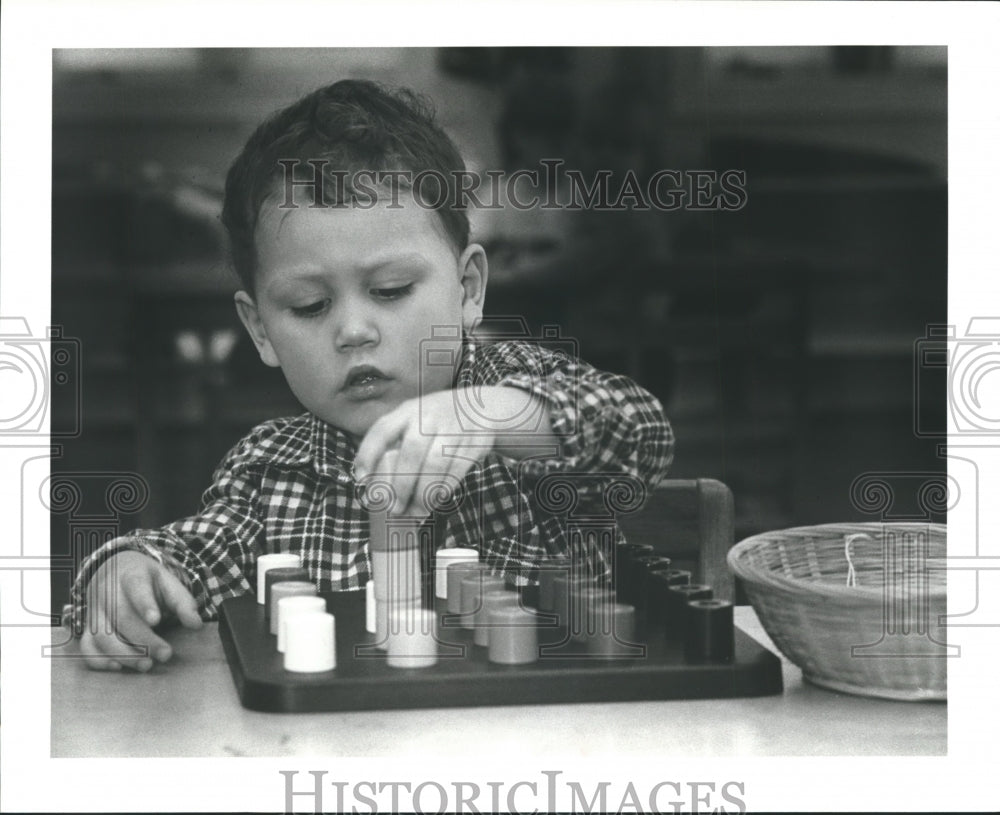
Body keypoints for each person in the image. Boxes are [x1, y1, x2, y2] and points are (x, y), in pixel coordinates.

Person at [68, 79, 674, 671]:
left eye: (390, 290)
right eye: (310, 306)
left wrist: (495, 417)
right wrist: (123, 573)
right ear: (259, 331)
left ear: (468, 290)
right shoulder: (270, 472)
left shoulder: (512, 387)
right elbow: (188, 556)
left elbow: (639, 431)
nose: (353, 330)